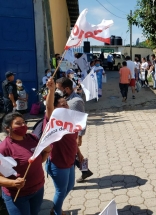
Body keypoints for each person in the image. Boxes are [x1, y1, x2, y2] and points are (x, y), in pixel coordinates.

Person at [45, 78, 84, 215]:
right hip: (58, 162)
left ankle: (55, 207)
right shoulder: (53, 121)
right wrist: (51, 90)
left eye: (66, 104)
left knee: (70, 186)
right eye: (62, 105)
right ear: (55, 109)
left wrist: (79, 153)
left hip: (70, 159)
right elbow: (49, 108)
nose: (66, 107)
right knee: (61, 190)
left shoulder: (70, 120)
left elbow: (73, 139)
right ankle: (56, 212)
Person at [0, 112, 51, 215]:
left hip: (38, 189)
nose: (23, 125)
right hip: (18, 195)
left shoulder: (32, 138)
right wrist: (13, 183)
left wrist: (47, 151)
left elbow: (38, 161)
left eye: (24, 122)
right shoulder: (4, 148)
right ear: (7, 128)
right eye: (18, 123)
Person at [55, 77, 93, 183]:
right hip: (62, 132)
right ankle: (85, 171)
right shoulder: (63, 98)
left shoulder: (76, 101)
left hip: (72, 134)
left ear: (67, 89)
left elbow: (81, 120)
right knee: (73, 154)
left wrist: (79, 137)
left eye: (59, 89)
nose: (57, 91)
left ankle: (79, 173)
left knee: (73, 154)